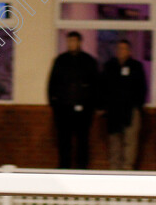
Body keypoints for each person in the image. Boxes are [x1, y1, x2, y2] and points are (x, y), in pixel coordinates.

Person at [47, 31, 99, 169]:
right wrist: (54, 104)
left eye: (74, 41)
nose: (71, 44)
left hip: (84, 109)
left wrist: (92, 106)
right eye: (69, 41)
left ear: (80, 42)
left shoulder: (89, 61)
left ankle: (82, 169)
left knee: (82, 140)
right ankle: (64, 168)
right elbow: (52, 83)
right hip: (63, 109)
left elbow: (96, 85)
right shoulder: (60, 60)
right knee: (64, 141)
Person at [100, 39, 147, 170]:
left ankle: (127, 169)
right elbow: (102, 87)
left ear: (129, 51)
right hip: (113, 111)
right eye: (119, 48)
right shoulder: (110, 66)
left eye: (124, 49)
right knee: (114, 142)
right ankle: (114, 170)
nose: (121, 51)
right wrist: (103, 106)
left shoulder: (136, 66)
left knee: (130, 142)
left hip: (131, 110)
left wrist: (137, 105)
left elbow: (142, 88)